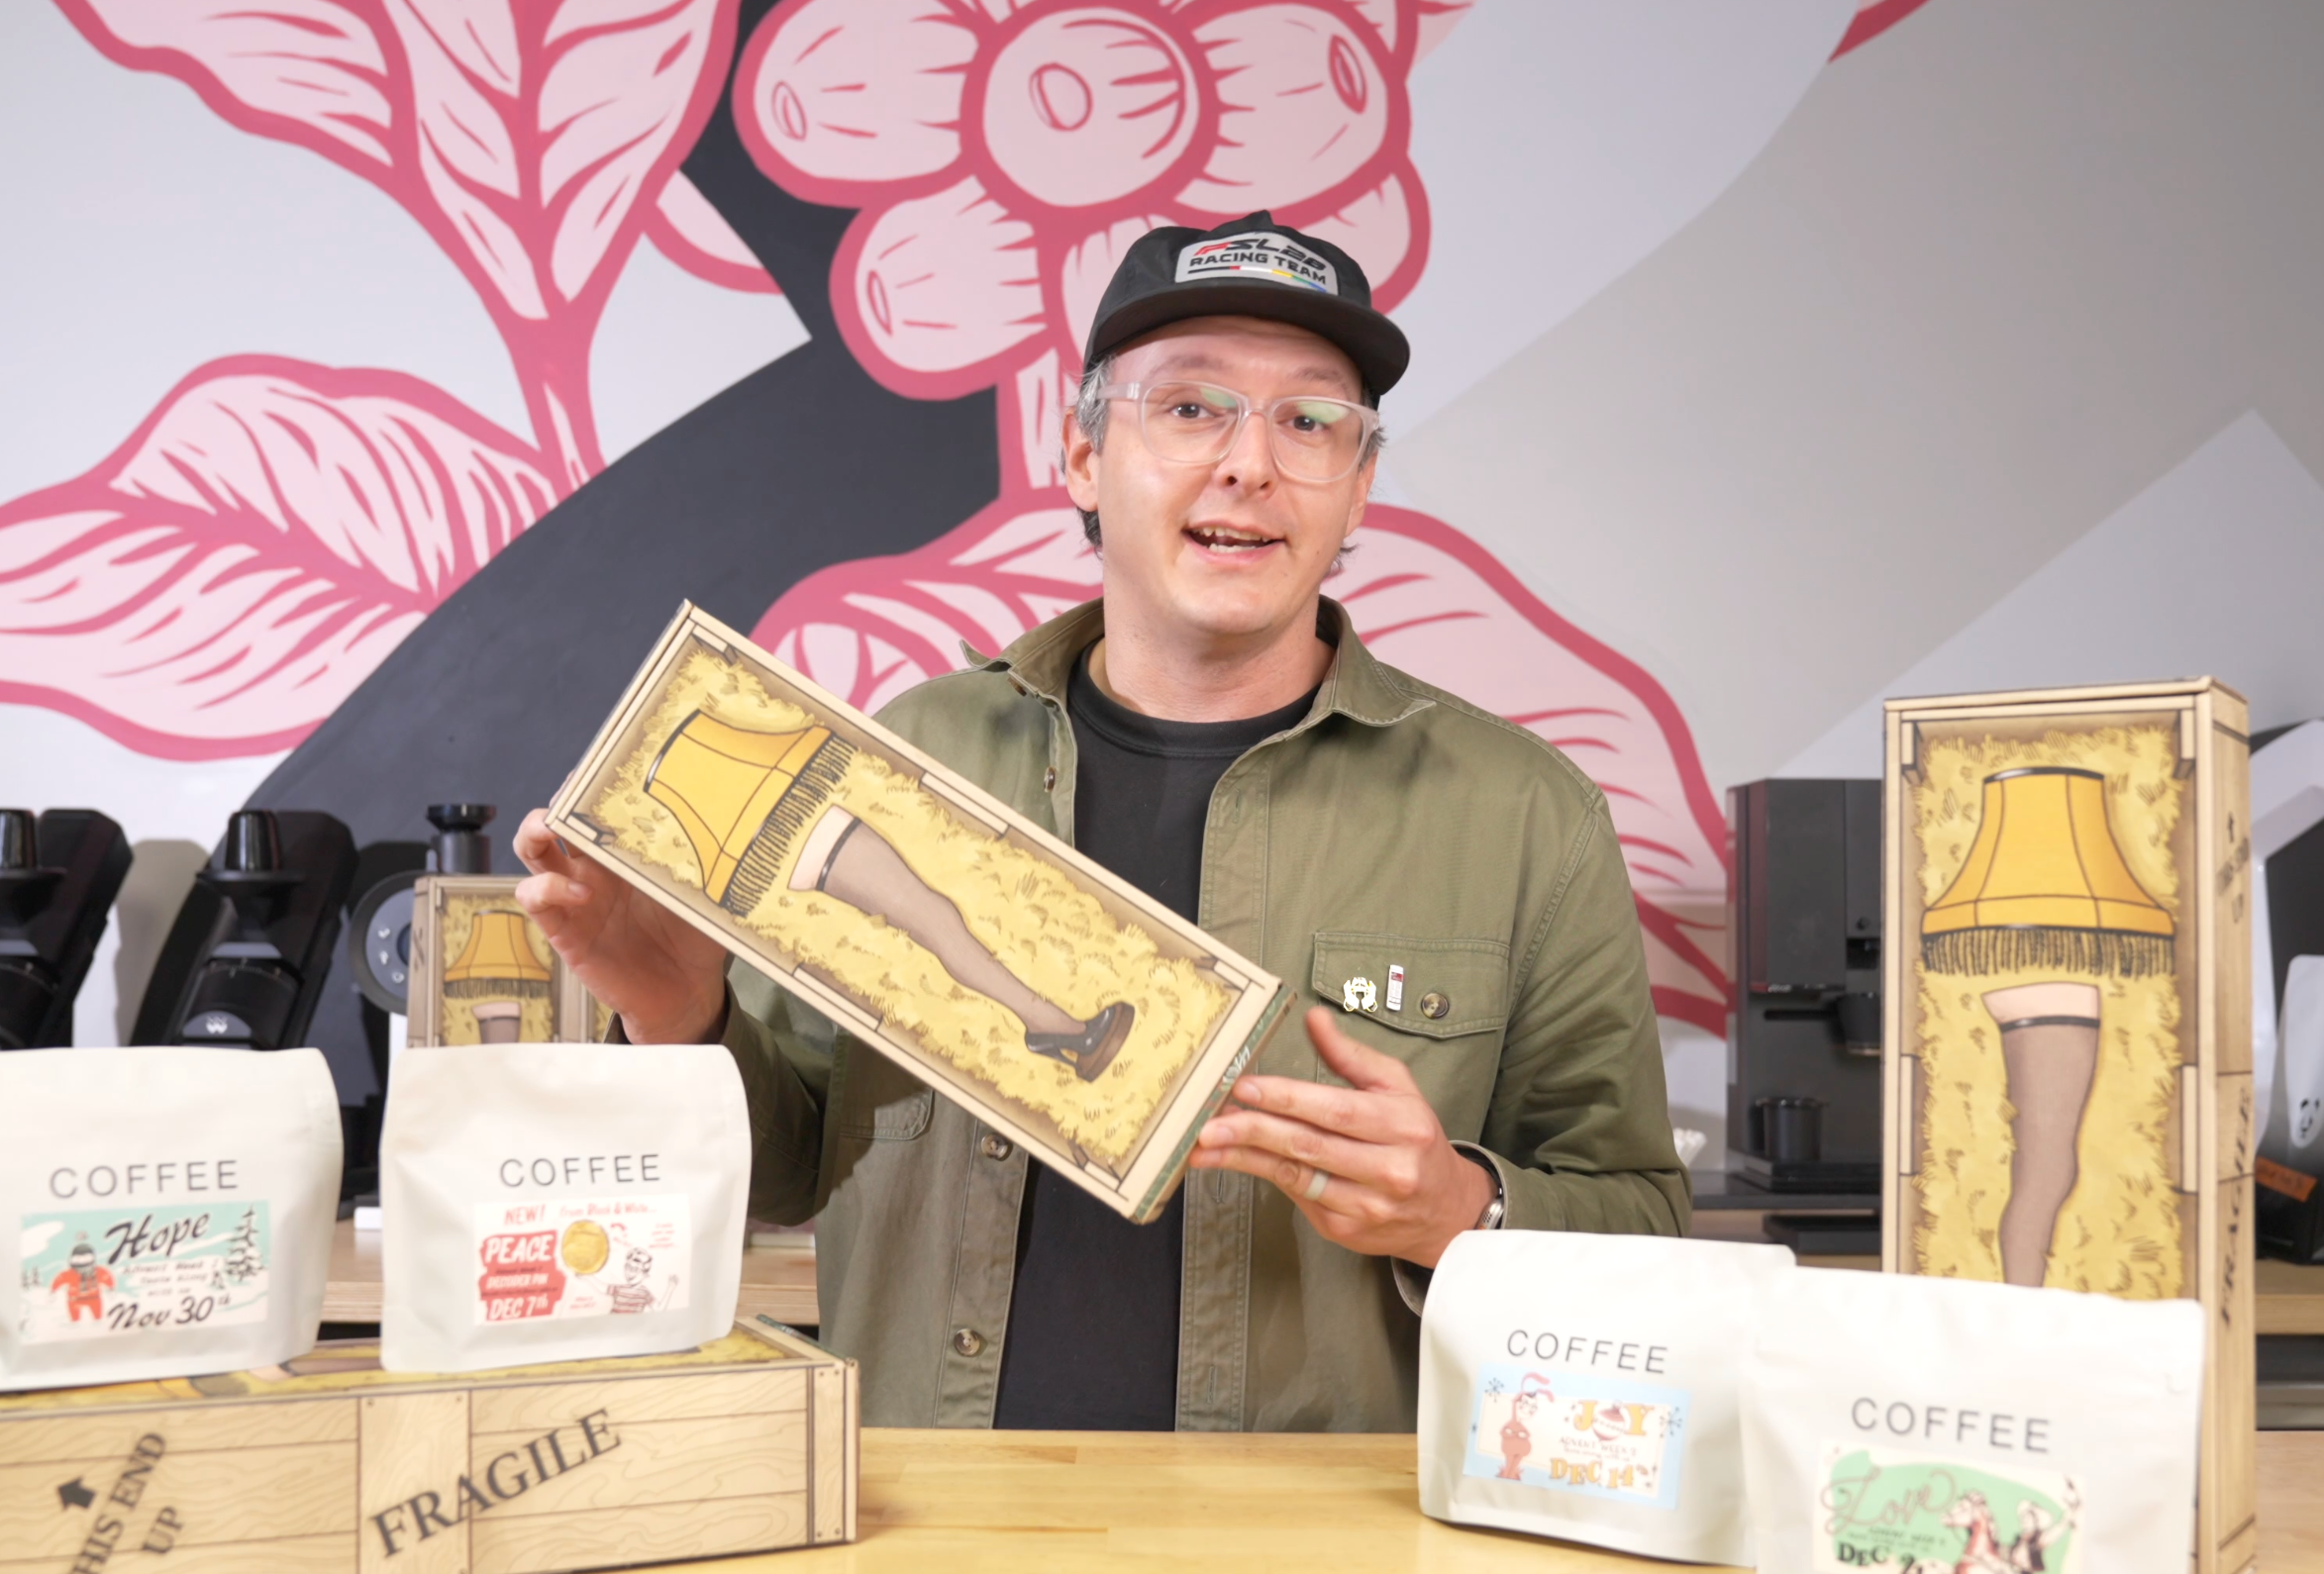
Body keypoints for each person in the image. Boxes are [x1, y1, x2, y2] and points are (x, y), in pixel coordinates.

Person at [517, 211, 1688, 1431]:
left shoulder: (1522, 820)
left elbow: (1646, 1229)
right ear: (1081, 459)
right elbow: (785, 1169)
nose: (1250, 463)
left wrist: (1463, 1210)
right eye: (1190, 408)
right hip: (938, 1547)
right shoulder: (912, 755)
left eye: (1310, 421)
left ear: (1358, 490)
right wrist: (677, 1017)